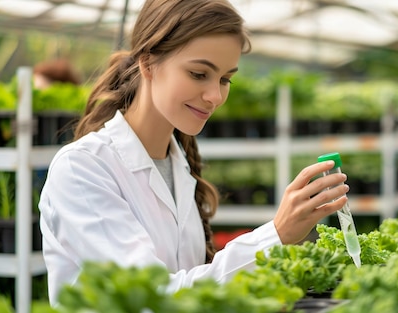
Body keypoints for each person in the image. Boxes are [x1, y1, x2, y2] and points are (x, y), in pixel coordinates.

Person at [38, 0, 349, 305]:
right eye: (199, 74)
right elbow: (150, 299)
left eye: (225, 79)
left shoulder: (179, 166)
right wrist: (275, 235)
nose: (215, 96)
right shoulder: (83, 170)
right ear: (148, 63)